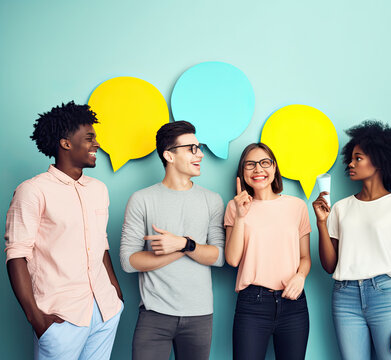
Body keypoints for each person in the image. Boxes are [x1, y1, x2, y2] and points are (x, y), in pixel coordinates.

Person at [4, 101, 124, 360]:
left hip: (105, 309)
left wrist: (115, 291)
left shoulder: (99, 189)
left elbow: (100, 244)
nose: (97, 144)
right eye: (89, 138)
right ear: (66, 143)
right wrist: (37, 319)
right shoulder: (33, 191)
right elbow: (16, 255)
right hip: (61, 317)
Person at [313, 120, 391, 359]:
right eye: (350, 158)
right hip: (344, 297)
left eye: (358, 158)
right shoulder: (340, 208)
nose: (350, 164)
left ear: (379, 161)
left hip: (386, 296)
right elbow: (330, 265)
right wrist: (321, 223)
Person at [120, 121, 225, 360]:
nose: (199, 155)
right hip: (153, 315)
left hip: (200, 316)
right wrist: (182, 248)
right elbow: (128, 261)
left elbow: (219, 257)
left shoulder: (212, 200)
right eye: (191, 149)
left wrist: (183, 243)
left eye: (199, 148)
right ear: (169, 155)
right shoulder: (141, 199)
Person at [224, 143, 311, 360]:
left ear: (274, 168)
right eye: (250, 165)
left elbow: (305, 257)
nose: (258, 169)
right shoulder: (234, 208)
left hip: (294, 303)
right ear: (242, 173)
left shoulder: (297, 206)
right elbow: (233, 260)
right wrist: (241, 216)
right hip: (252, 303)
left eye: (265, 163)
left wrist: (301, 276)